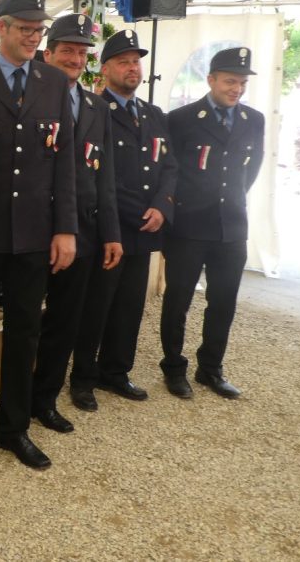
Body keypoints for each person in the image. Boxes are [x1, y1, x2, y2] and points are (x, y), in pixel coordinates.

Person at [0, 0, 77, 469]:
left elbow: (64, 161)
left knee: (25, 332)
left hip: (33, 234)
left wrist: (64, 228)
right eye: (25, 28)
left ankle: (14, 426)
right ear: (1, 27)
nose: (33, 37)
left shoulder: (53, 82)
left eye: (38, 30)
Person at [64, 29, 176, 412]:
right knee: (96, 307)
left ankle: (116, 371)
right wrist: (136, 213)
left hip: (145, 229)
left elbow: (170, 166)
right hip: (107, 227)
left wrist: (162, 205)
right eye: (124, 61)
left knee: (130, 305)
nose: (133, 68)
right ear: (105, 68)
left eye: (136, 61)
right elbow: (98, 175)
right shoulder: (96, 111)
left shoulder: (153, 114)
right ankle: (83, 377)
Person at [31, 13, 121, 432]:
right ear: (46, 53)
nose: (73, 58)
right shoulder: (27, 96)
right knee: (26, 321)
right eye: (66, 50)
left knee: (65, 321)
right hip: (31, 229)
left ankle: (44, 400)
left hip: (82, 231)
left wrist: (111, 234)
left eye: (81, 52)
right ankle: (14, 401)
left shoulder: (96, 107)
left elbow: (105, 175)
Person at [160, 47, 265, 399]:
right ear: (211, 80)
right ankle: (174, 367)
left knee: (223, 302)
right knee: (178, 301)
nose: (236, 89)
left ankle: (211, 369)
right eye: (230, 81)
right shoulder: (182, 118)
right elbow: (169, 170)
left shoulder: (254, 120)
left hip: (231, 227)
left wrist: (233, 196)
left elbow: (251, 168)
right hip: (190, 225)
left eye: (242, 82)